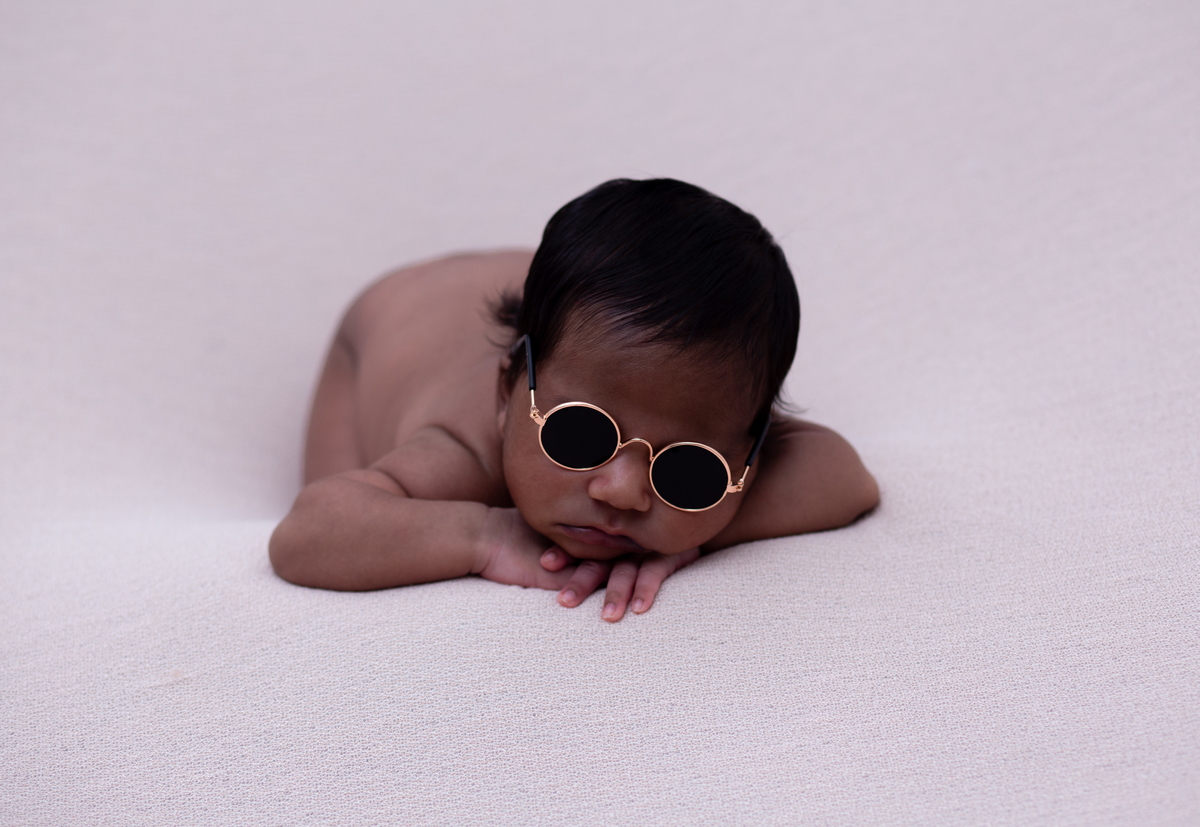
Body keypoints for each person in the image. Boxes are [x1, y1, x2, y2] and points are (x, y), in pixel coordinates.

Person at [269, 178, 879, 622]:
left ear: (748, 457)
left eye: (689, 471)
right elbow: (308, 533)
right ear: (506, 393)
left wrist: (698, 534)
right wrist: (483, 534)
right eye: (580, 433)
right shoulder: (461, 447)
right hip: (386, 323)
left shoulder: (689, 392)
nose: (623, 493)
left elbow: (846, 477)